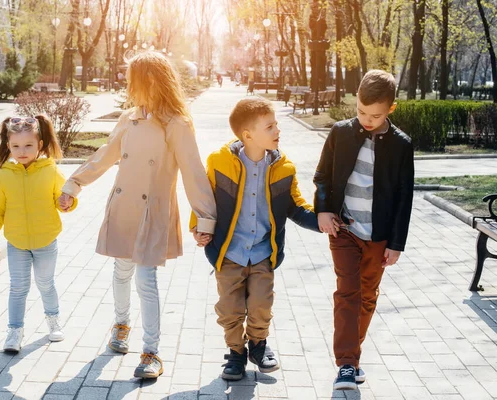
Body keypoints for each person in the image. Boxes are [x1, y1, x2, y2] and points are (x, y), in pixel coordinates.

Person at [58, 51, 216, 379]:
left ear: (151, 80)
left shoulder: (176, 122)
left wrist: (205, 218)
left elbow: (193, 171)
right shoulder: (128, 118)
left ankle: (152, 352)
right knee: (121, 271)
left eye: (132, 78)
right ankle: (121, 325)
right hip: (123, 206)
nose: (127, 84)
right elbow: (104, 156)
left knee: (146, 279)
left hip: (153, 210)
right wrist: (73, 184)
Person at [194, 97, 321, 381]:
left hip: (264, 251)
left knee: (262, 304)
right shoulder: (219, 162)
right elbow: (205, 201)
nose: (278, 131)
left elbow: (295, 206)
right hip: (229, 252)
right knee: (230, 308)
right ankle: (236, 353)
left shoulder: (283, 168)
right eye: (270, 126)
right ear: (248, 135)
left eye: (276, 125)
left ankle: (259, 346)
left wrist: (321, 221)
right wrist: (199, 227)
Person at [313, 70, 414, 390]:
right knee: (348, 292)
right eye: (360, 111)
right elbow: (322, 176)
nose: (366, 120)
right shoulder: (340, 134)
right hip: (344, 230)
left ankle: (352, 355)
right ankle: (346, 363)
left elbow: (404, 196)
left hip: (379, 235)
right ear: (355, 100)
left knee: (367, 296)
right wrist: (324, 210)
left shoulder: (400, 145)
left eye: (375, 115)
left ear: (391, 110)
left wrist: (396, 243)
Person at [0, 115, 77, 354]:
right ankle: (15, 331)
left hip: (46, 241)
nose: (21, 151)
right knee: (18, 287)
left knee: (46, 283)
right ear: (8, 146)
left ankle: (53, 321)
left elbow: (63, 199)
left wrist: (67, 202)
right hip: (17, 243)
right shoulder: (3, 176)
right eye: (15, 146)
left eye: (28, 146)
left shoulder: (51, 171)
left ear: (40, 146)